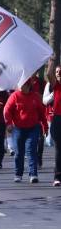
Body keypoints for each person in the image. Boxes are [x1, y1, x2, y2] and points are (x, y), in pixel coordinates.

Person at [4, 79, 47, 184]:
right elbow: (7, 110)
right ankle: (18, 174)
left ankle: (33, 174)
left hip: (33, 128)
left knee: (31, 151)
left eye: (23, 84)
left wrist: (45, 126)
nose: (20, 86)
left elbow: (42, 113)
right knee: (19, 152)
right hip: (18, 129)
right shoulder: (14, 96)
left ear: (28, 86)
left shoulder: (35, 97)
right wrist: (8, 123)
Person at [46, 57, 61, 186]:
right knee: (58, 149)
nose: (59, 74)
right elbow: (49, 74)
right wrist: (51, 62)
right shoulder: (56, 85)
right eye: (58, 73)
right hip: (57, 120)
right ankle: (57, 177)